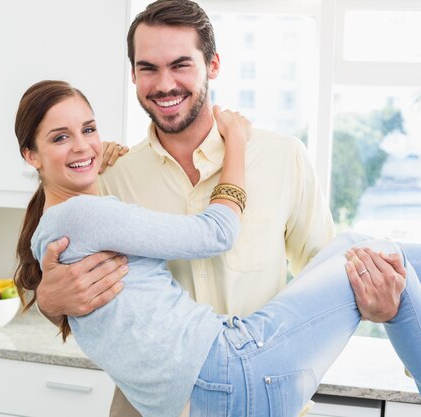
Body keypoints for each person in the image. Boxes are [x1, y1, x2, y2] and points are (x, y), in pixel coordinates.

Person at [32, 2, 404, 415]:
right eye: (149, 68)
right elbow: (83, 295)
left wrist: (379, 304)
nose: (165, 84)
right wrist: (50, 302)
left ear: (213, 65)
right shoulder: (106, 180)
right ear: (134, 74)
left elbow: (331, 276)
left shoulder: (283, 159)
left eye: (181, 65)